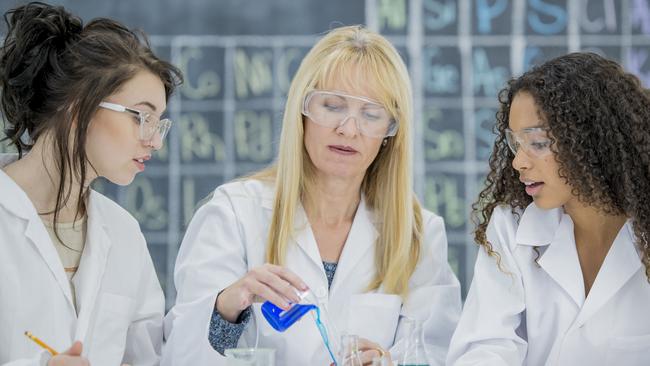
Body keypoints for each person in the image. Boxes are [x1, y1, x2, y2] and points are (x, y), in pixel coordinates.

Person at [162, 25, 461, 365]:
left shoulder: (418, 233)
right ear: (301, 112)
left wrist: (388, 360)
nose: (348, 129)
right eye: (332, 106)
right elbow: (178, 354)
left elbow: (437, 352)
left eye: (371, 114)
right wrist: (229, 305)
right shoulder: (234, 214)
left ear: (390, 132)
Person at [0, 2, 182, 365]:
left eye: (159, 122)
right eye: (142, 117)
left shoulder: (123, 232)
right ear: (78, 108)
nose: (155, 141)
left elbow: (147, 359)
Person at [447, 52, 650, 366]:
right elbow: (485, 348)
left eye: (538, 143)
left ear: (589, 139)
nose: (518, 162)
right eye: (515, 143)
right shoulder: (510, 227)